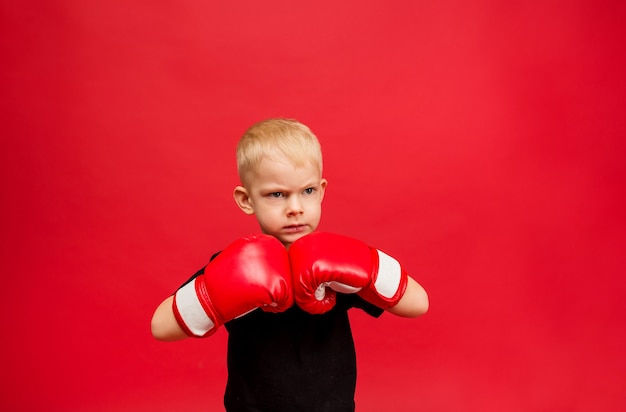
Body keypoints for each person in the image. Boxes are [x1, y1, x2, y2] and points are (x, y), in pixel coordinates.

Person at [151, 118, 429, 411]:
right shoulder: (236, 266)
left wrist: (368, 267)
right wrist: (218, 292)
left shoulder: (336, 262)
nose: (295, 207)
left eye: (307, 191)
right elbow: (160, 326)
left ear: (321, 191)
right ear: (246, 200)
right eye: (277, 194)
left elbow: (418, 303)